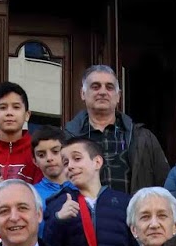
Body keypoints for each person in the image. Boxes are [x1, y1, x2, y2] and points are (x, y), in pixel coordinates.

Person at [62, 65, 169, 193]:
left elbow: (164, 185)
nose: (102, 92)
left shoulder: (143, 138)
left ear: (118, 96)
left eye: (109, 87)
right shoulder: (66, 138)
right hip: (82, 211)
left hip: (132, 212)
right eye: (95, 87)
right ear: (83, 94)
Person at [43, 136, 134, 246]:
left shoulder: (124, 203)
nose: (70, 167)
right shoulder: (58, 204)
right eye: (66, 163)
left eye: (77, 159)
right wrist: (58, 220)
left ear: (97, 162)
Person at [0, 81, 43, 184]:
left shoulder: (38, 151)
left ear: (27, 115)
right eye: (3, 108)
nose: (9, 113)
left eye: (16, 107)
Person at [30, 125, 72, 206]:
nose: (49, 158)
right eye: (41, 155)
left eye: (55, 151)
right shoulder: (31, 195)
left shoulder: (82, 187)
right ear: (35, 161)